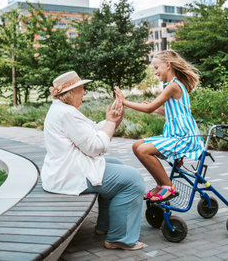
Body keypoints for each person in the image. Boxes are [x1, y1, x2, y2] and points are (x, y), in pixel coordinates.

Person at [41, 71, 146, 251]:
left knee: (118, 165)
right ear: (70, 93)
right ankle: (120, 238)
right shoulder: (66, 113)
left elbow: (91, 133)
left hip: (67, 169)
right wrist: (110, 123)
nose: (84, 93)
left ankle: (104, 226)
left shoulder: (63, 110)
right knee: (133, 180)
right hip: (70, 175)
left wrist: (113, 121)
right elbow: (95, 147)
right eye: (81, 89)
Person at [114, 50, 204, 202]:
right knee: (136, 145)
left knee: (143, 150)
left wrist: (124, 101)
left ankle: (168, 186)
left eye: (157, 68)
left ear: (168, 65)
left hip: (184, 138)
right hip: (175, 135)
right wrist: (158, 110)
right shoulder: (171, 85)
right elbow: (175, 112)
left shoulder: (173, 86)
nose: (155, 72)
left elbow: (147, 110)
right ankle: (161, 184)